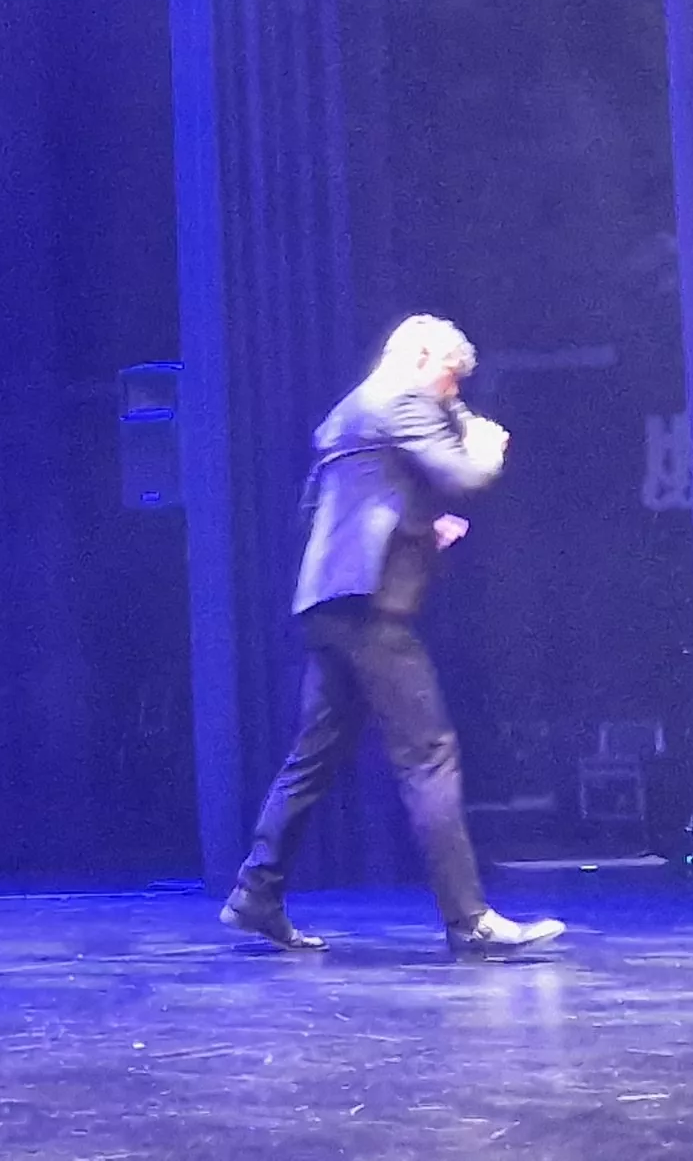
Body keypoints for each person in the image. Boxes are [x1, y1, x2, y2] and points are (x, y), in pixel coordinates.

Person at [224, 316, 569, 960]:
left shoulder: (351, 412)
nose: (452, 395)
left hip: (330, 600)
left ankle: (256, 892)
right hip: (370, 607)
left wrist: (419, 528)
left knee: (315, 757)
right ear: (417, 357)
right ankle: (469, 919)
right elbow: (462, 476)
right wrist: (486, 449)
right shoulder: (399, 398)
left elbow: (338, 507)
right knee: (429, 754)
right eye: (450, 379)